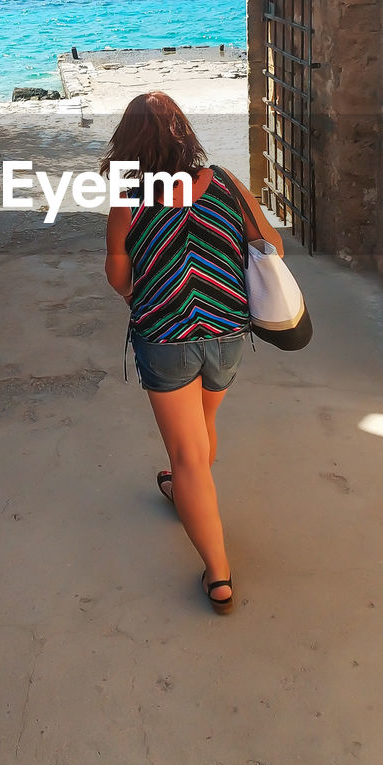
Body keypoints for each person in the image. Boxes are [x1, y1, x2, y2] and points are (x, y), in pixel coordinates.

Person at [101, 91, 285, 614]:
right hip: (228, 331)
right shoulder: (225, 183)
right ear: (185, 133)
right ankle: (185, 487)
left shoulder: (129, 196)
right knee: (202, 430)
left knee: (186, 456)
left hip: (165, 336)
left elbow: (118, 275)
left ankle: (219, 574)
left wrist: (149, 288)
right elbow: (272, 245)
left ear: (130, 142)